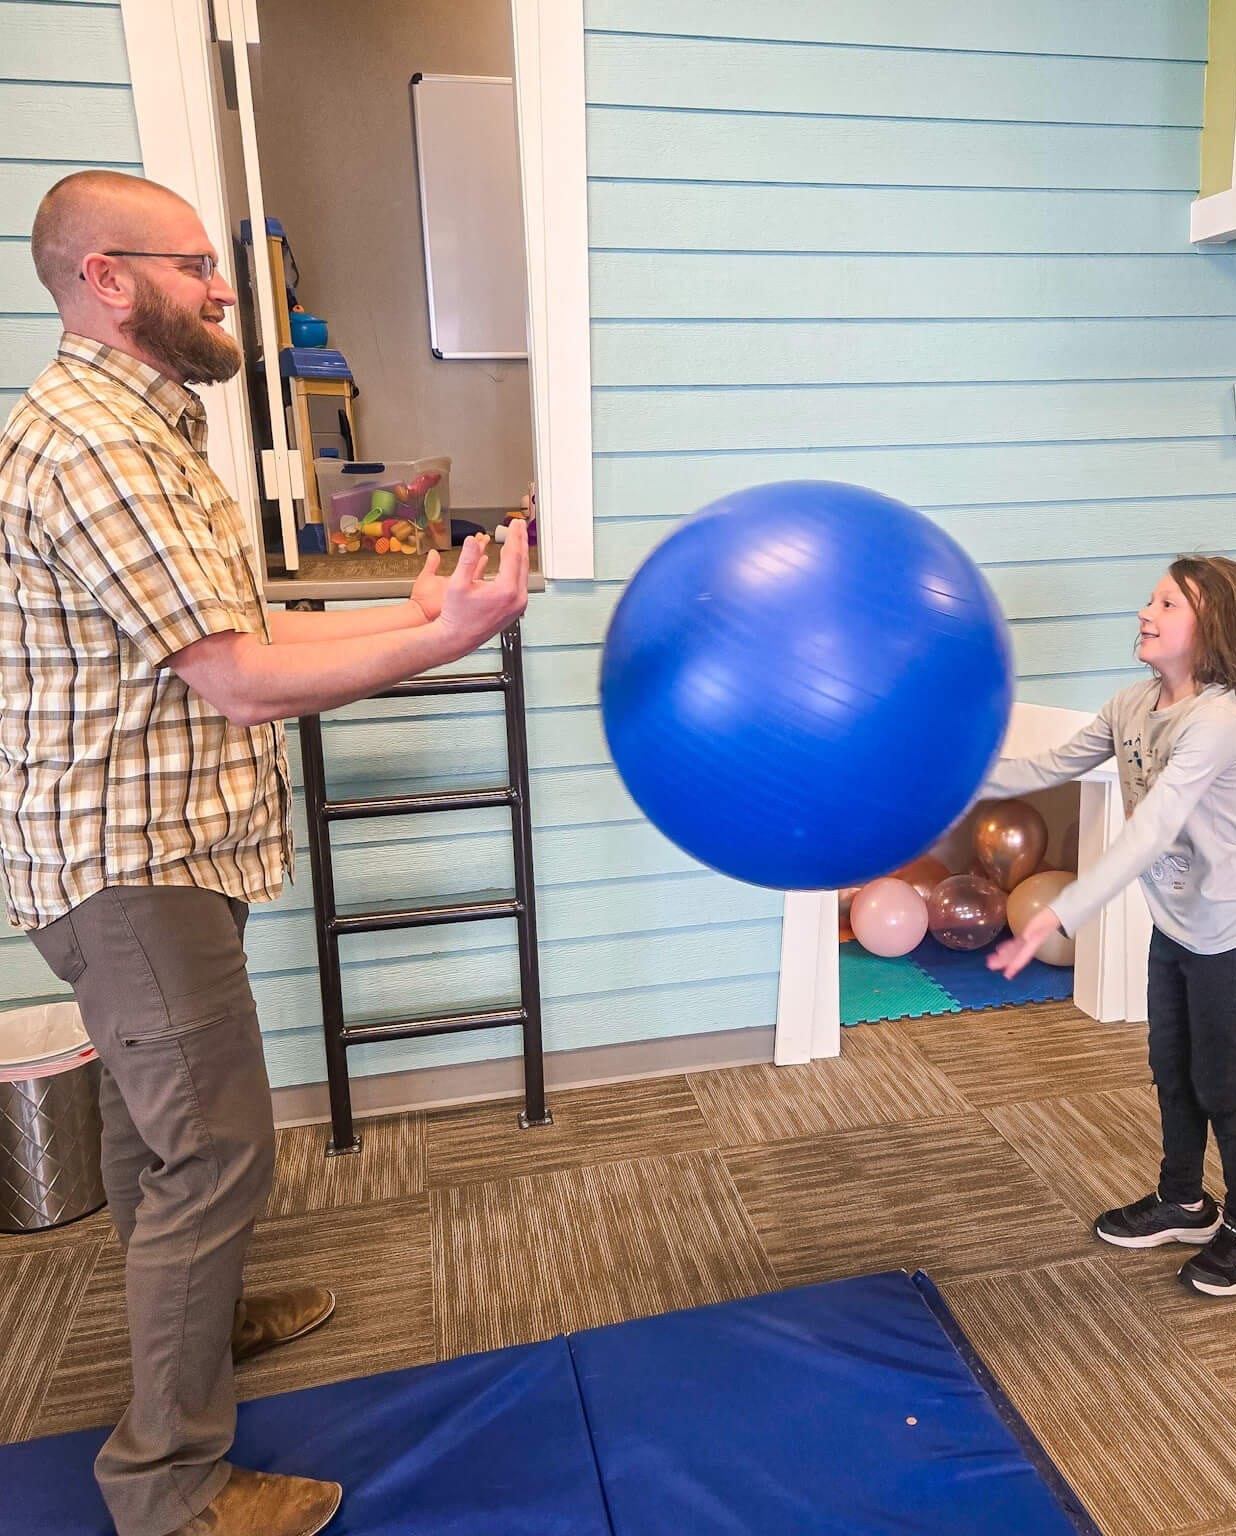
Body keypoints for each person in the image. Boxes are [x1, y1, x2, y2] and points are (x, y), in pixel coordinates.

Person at [0, 170, 529, 1536]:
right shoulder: (97, 448)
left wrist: (415, 615)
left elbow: (238, 632)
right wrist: (442, 643)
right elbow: (238, 682)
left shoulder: (148, 427)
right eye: (193, 264)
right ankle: (167, 1490)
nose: (224, 286)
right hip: (128, 866)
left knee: (154, 1133)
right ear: (105, 278)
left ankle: (204, 1315)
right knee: (216, 1153)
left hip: (164, 849)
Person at [983, 556, 1236, 1298]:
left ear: (1212, 628)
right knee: (1170, 1069)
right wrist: (949, 785)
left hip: (1230, 934)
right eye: (1151, 599)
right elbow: (1047, 767)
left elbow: (1151, 830)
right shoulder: (1130, 706)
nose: (1146, 612)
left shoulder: (1216, 723)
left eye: (1169, 603)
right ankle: (1183, 1201)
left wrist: (1063, 910)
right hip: (1176, 928)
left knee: (1218, 1082)